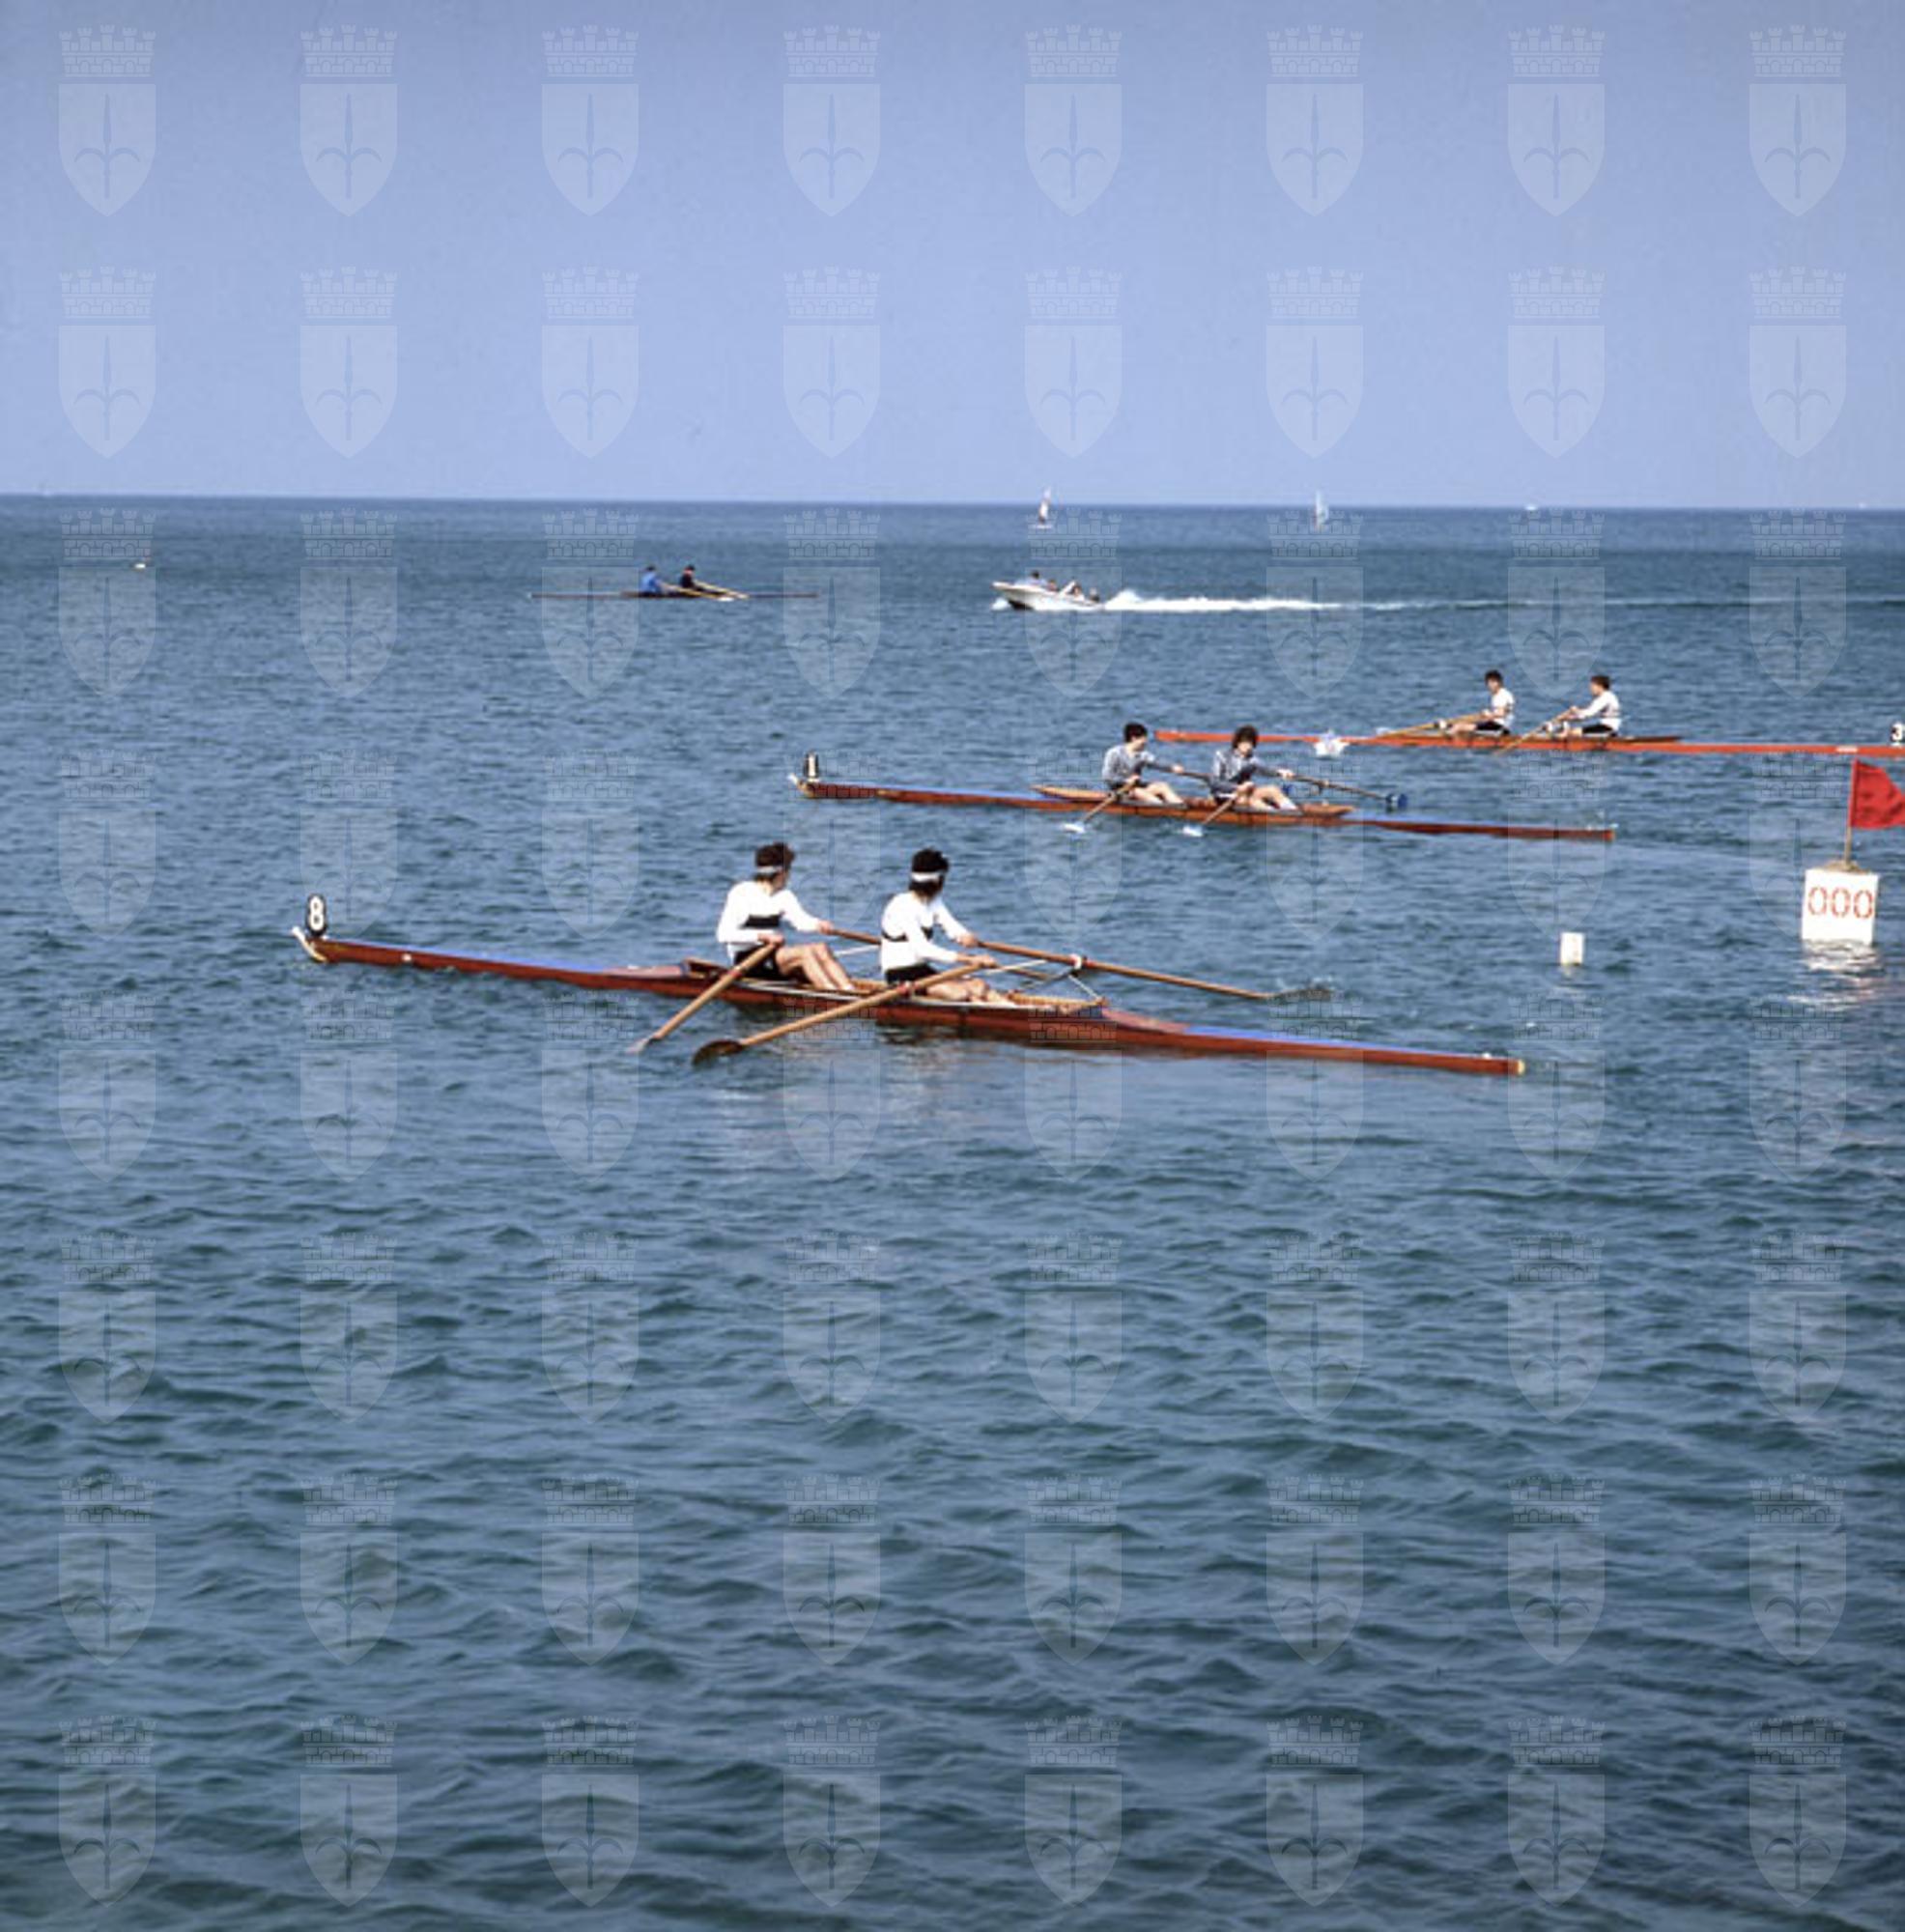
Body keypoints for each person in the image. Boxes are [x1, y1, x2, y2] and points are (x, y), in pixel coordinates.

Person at [716, 842, 855, 991]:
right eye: (789, 870)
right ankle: (832, 994)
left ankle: (849, 990)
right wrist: (762, 936)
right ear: (781, 873)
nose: (789, 876)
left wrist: (818, 924)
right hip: (747, 961)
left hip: (772, 955)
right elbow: (723, 934)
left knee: (821, 948)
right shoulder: (741, 893)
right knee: (805, 953)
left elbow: (801, 921)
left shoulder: (785, 896)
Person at [878, 849, 1004, 1003]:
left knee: (980, 986)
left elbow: (950, 924)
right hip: (899, 975)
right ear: (937, 881)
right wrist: (968, 959)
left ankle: (1012, 1009)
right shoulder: (901, 906)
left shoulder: (933, 901)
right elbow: (922, 949)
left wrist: (964, 936)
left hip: (923, 970)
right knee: (960, 994)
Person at [1208, 725, 1298, 812]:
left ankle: (1294, 812)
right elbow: (1214, 783)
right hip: (1224, 795)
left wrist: (1281, 772)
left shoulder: (1252, 760)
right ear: (1237, 742)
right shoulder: (1222, 755)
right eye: (1245, 742)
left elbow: (1267, 770)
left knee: (1273, 790)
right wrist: (1238, 787)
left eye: (1251, 743)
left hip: (1245, 794)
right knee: (1248, 800)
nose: (1248, 746)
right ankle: (1276, 815)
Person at [1101, 722, 1183, 806]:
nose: (1146, 741)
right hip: (1120, 791)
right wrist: (1126, 780)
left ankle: (1180, 807)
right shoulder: (1114, 753)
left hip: (1136, 787)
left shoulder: (1143, 755)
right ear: (1134, 738)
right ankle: (1162, 808)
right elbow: (1107, 776)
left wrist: (1172, 767)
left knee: (1162, 786)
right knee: (1139, 792)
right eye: (1143, 738)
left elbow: (1156, 763)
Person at [1556, 673, 1622, 738]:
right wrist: (1567, 718)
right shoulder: (1604, 697)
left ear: (1600, 687)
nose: (1591, 689)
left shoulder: (1605, 698)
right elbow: (1583, 716)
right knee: (1572, 731)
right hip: (1605, 727)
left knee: (1572, 733)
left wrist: (1576, 711)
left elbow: (1589, 713)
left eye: (1592, 686)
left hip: (1608, 728)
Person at [1472, 668, 1516, 735]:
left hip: (1499, 728)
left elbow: (1502, 713)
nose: (1490, 685)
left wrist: (1489, 714)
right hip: (1495, 725)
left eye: (1493, 682)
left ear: (1499, 682)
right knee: (1465, 726)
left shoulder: (1504, 695)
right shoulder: (1495, 695)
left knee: (1460, 728)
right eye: (1488, 683)